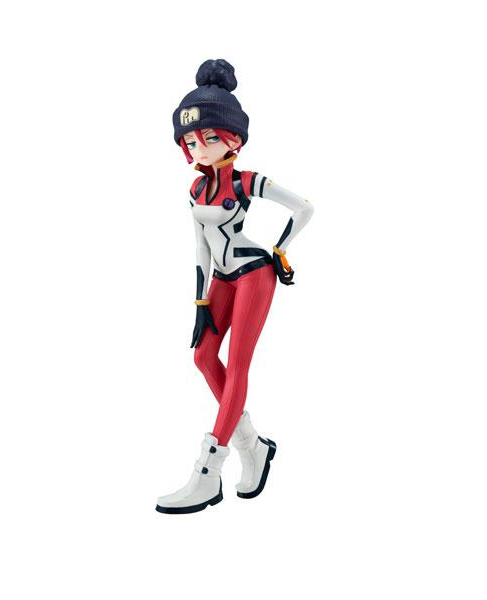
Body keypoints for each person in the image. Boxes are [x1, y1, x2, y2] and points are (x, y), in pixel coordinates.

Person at [156, 59, 314, 514]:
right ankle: (253, 446)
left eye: (209, 138)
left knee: (238, 365)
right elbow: (200, 246)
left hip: (253, 274)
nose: (199, 148)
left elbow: (304, 208)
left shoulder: (247, 182)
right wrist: (200, 300)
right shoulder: (195, 190)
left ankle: (208, 472)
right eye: (191, 140)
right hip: (221, 279)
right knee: (203, 356)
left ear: (233, 139)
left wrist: (281, 250)